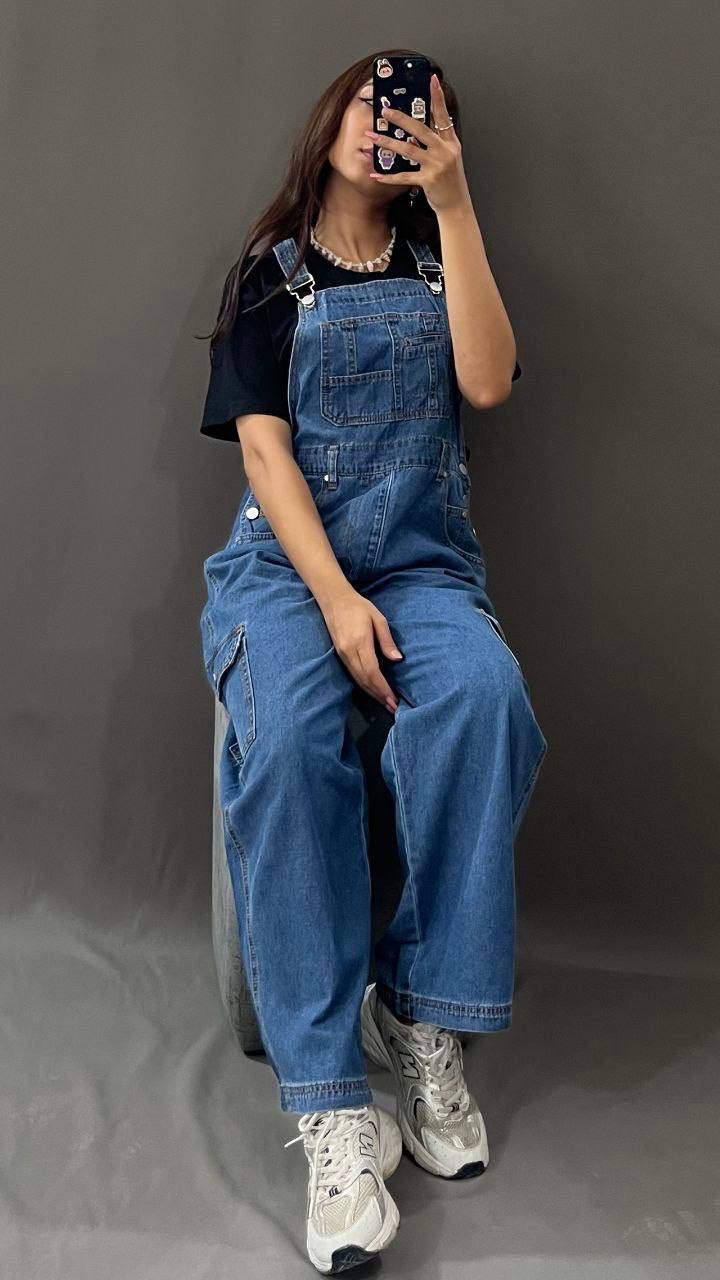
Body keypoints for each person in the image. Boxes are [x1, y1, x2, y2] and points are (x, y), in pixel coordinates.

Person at [196, 48, 548, 1275]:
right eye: (370, 100)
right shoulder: (270, 271)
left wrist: (455, 203)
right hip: (289, 573)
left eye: (416, 116)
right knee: (293, 741)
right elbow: (263, 454)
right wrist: (336, 598)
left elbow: (487, 382)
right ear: (333, 112)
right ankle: (332, 1106)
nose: (383, 124)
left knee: (486, 699)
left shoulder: (443, 257)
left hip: (422, 566)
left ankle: (417, 1010)